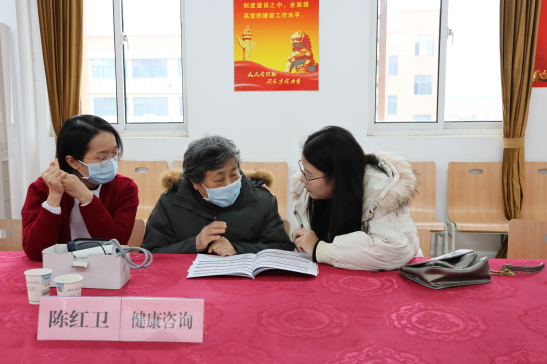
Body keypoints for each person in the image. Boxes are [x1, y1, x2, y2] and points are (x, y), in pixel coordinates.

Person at [291, 126, 421, 270]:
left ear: (338, 176)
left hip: (392, 274)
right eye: (303, 171)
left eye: (308, 175)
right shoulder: (309, 192)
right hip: (339, 272)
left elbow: (395, 251)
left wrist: (319, 249)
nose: (302, 180)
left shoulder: (382, 192)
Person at [142, 135, 295, 254]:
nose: (229, 184)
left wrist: (238, 249)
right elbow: (151, 253)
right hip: (188, 282)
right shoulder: (171, 203)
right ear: (194, 182)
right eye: (219, 180)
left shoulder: (262, 200)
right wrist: (194, 244)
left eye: (234, 174)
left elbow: (281, 248)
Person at [21, 115, 139, 261]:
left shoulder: (125, 188)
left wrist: (87, 198)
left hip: (106, 267)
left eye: (114, 153)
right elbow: (36, 253)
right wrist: (54, 198)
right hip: (61, 268)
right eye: (102, 158)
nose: (111, 161)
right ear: (73, 162)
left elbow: (116, 245)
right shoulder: (42, 188)